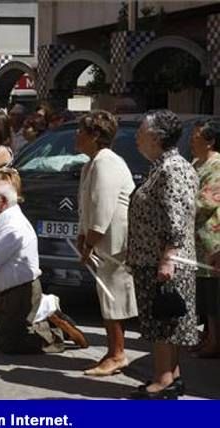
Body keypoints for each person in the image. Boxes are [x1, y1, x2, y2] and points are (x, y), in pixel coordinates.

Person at [128, 110, 199, 399]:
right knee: (163, 321)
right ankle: (171, 376)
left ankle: (163, 380)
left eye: (141, 132)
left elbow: (177, 216)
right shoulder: (161, 166)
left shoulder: (172, 168)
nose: (136, 137)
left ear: (156, 138)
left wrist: (168, 257)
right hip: (152, 257)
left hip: (163, 260)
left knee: (164, 323)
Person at [0, 180, 87, 354]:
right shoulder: (0, 221)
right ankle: (41, 313)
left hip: (19, 291)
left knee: (12, 346)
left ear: (2, 201)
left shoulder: (12, 226)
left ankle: (53, 323)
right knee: (1, 341)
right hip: (5, 292)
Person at [75, 110, 138, 376]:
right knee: (107, 298)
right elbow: (87, 207)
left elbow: (103, 209)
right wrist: (82, 236)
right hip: (102, 243)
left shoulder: (106, 162)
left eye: (82, 131)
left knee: (113, 299)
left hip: (113, 245)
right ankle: (113, 351)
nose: (77, 136)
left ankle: (117, 354)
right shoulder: (92, 162)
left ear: (95, 135)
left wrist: (90, 242)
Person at [190, 118, 220, 358]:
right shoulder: (195, 163)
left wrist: (179, 208)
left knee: (213, 293)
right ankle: (208, 335)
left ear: (209, 141)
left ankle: (215, 340)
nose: (192, 140)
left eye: (197, 137)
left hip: (212, 238)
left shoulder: (217, 165)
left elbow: (208, 200)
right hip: (195, 240)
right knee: (203, 292)